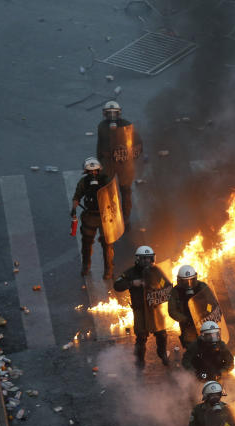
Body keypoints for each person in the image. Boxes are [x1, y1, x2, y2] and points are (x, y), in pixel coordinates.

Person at [113, 245, 172, 369]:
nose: (147, 261)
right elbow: (117, 285)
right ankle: (140, 360)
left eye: (149, 259)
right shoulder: (131, 273)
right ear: (138, 259)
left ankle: (162, 353)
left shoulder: (156, 271)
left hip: (154, 309)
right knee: (141, 336)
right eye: (144, 259)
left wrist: (157, 288)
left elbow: (165, 284)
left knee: (161, 334)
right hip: (140, 309)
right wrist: (131, 283)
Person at [96, 100, 143, 230]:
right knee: (107, 191)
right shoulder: (102, 127)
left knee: (126, 192)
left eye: (114, 113)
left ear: (119, 113)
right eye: (109, 113)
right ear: (105, 114)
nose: (112, 116)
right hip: (108, 163)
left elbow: (138, 144)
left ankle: (126, 219)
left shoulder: (127, 125)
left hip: (124, 164)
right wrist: (101, 161)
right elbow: (100, 145)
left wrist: (130, 156)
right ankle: (110, 218)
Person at [70, 157, 115, 279]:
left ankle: (109, 269)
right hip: (90, 215)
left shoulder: (106, 181)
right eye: (90, 171)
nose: (93, 173)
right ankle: (86, 265)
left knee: (107, 244)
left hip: (104, 216)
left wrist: (114, 213)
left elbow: (113, 196)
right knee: (86, 242)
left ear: (99, 170)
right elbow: (77, 196)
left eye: (95, 171)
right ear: (86, 172)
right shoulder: (84, 182)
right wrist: (74, 209)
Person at [167, 265, 216, 349]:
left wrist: (206, 313)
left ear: (195, 278)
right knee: (192, 349)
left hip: (203, 322)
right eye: (185, 281)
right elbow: (172, 310)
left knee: (208, 346)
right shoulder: (175, 292)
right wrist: (184, 319)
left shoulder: (202, 287)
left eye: (191, 280)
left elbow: (211, 303)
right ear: (179, 280)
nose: (188, 284)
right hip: (187, 326)